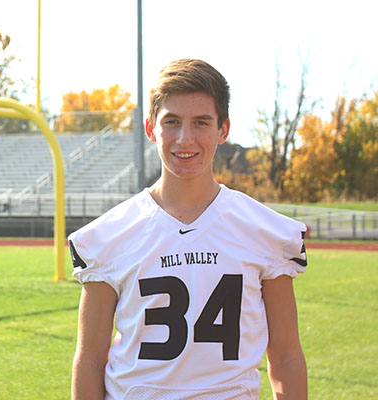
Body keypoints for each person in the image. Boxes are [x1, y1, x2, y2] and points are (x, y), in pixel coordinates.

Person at [68, 59, 308, 400]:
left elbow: (285, 358)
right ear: (151, 129)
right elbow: (90, 359)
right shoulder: (111, 235)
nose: (185, 139)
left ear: (223, 129)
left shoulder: (263, 231)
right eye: (172, 122)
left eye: (201, 123)